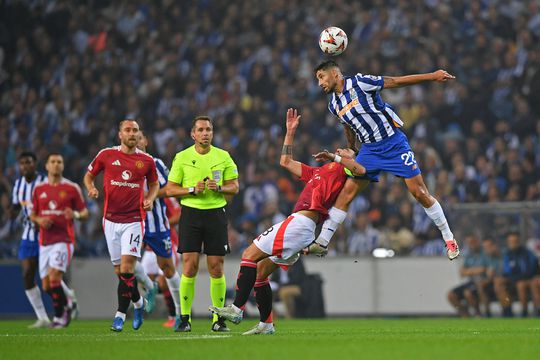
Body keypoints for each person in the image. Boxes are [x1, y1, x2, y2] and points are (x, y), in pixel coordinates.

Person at [210, 108, 365, 335]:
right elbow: (285, 161)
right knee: (261, 273)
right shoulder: (318, 172)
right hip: (301, 227)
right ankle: (267, 324)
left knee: (249, 255)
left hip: (300, 224)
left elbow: (360, 169)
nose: (339, 149)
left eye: (345, 150)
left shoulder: (344, 170)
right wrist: (290, 132)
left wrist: (337, 157)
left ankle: (236, 308)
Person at [312, 60, 459, 260]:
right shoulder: (333, 104)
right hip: (369, 151)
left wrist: (432, 76)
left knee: (419, 193)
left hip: (393, 144)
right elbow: (347, 125)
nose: (319, 83)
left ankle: (449, 238)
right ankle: (322, 242)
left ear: (335, 74)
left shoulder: (360, 82)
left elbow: (394, 82)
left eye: (321, 77)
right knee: (346, 193)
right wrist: (353, 148)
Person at [165, 115, 239, 332]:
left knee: (216, 267)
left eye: (208, 129)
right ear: (193, 134)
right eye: (201, 130)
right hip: (191, 214)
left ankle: (218, 319)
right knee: (189, 265)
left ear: (212, 133)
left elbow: (234, 186)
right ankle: (184, 318)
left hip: (215, 214)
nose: (205, 133)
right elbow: (170, 189)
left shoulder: (223, 156)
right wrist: (190, 190)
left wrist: (219, 188)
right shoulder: (182, 157)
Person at [83, 119, 159, 332]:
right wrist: (91, 188)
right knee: (122, 273)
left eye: (135, 130)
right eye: (128, 130)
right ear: (120, 135)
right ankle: (139, 304)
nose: (132, 133)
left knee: (127, 268)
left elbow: (154, 184)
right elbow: (88, 176)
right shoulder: (106, 155)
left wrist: (150, 198)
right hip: (110, 221)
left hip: (134, 221)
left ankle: (119, 316)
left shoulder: (146, 160)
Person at [30, 153, 88, 328]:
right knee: (47, 285)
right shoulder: (38, 189)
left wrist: (75, 214)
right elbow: (33, 214)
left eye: (59, 162)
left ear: (63, 166)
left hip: (63, 239)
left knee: (55, 277)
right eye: (53, 162)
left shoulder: (72, 188)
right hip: (44, 241)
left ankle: (60, 317)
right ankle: (69, 301)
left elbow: (85, 213)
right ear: (46, 166)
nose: (56, 165)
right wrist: (39, 220)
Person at [135, 131, 182, 330]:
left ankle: (177, 314)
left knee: (166, 277)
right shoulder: (122, 166)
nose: (135, 141)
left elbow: (173, 197)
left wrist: (150, 195)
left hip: (163, 233)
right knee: (130, 271)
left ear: (146, 141)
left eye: (139, 137)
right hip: (138, 230)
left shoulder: (156, 165)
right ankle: (148, 290)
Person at [494, 232, 539, 317]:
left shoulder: (527, 253)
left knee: (520, 285)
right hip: (513, 280)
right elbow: (506, 271)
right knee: (498, 282)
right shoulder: (507, 255)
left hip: (526, 280)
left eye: (515, 241)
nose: (513, 243)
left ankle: (524, 313)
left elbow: (530, 271)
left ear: (519, 241)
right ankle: (507, 311)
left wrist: (516, 278)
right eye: (510, 241)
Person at [446, 234, 486, 317]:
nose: (471, 245)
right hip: (471, 282)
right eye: (469, 243)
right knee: (451, 295)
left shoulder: (484, 253)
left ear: (478, 242)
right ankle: (465, 314)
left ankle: (478, 314)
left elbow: (484, 269)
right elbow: (462, 272)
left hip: (481, 281)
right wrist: (475, 270)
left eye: (473, 242)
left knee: (468, 293)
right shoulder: (469, 255)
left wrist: (469, 271)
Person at [476, 237, 502, 317]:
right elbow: (482, 271)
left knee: (498, 283)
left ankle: (506, 312)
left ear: (495, 246)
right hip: (489, 282)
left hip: (502, 281)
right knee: (480, 284)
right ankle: (486, 313)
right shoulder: (485, 258)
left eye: (489, 246)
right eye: (485, 247)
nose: (487, 249)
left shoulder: (502, 255)